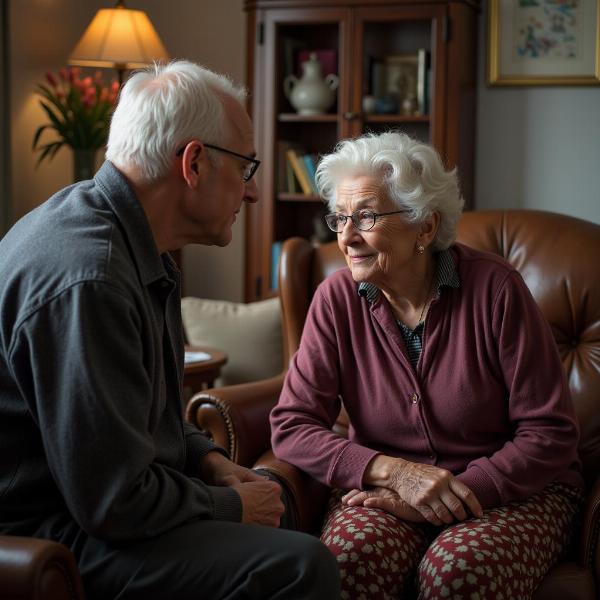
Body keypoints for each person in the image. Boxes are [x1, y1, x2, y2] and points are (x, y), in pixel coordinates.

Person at [0, 60, 339, 599]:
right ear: (195, 162)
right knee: (300, 565)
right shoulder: (91, 278)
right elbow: (114, 500)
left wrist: (209, 461)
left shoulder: (136, 248)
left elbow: (145, 415)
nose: (252, 195)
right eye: (246, 168)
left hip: (88, 507)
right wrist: (229, 504)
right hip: (48, 530)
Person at [270, 131, 584, 599]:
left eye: (367, 216)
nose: (347, 237)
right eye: (340, 218)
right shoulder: (335, 300)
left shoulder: (497, 291)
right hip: (386, 491)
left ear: (426, 226)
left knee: (459, 570)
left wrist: (452, 493)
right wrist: (395, 473)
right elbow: (292, 425)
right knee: (348, 561)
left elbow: (550, 433)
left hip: (510, 492)